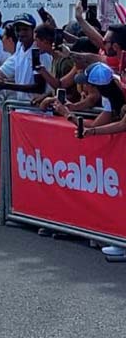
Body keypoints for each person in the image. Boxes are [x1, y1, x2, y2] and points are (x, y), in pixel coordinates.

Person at [51, 62, 126, 261]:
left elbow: (121, 125)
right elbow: (98, 124)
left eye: (88, 85)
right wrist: (70, 113)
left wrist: (87, 129)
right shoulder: (112, 94)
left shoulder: (121, 91)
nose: (84, 89)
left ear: (98, 87)